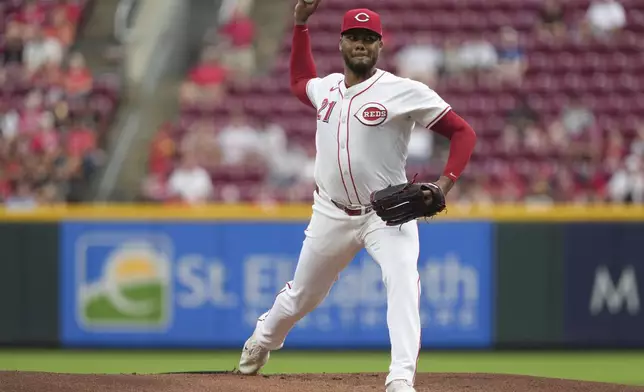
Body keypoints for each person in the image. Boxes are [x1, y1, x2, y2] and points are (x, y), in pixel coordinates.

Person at [237, 2, 477, 392]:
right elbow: (300, 81)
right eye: (354, 38)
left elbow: (463, 132)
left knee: (402, 283)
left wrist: (443, 185)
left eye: (369, 38)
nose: (361, 44)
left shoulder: (402, 91)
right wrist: (300, 23)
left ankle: (400, 379)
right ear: (342, 43)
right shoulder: (327, 88)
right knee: (302, 298)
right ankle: (261, 340)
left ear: (380, 46)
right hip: (330, 213)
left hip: (386, 215)